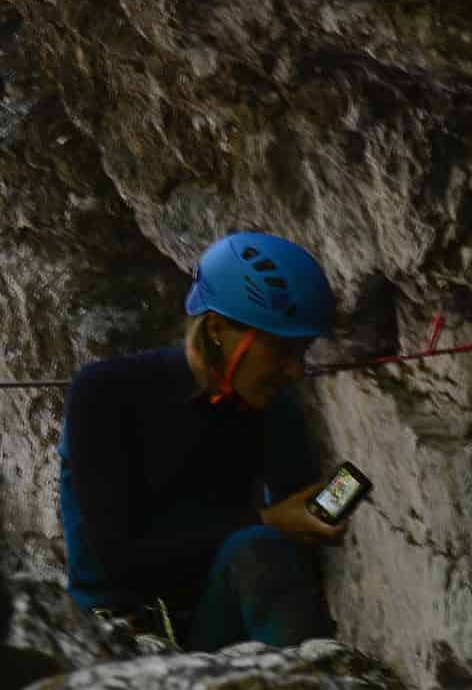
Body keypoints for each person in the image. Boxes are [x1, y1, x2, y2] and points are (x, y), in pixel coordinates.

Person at [59, 232, 345, 651]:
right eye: (283, 350)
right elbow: (119, 559)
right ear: (216, 329)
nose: (296, 370)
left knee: (261, 551)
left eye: (302, 352)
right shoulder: (106, 392)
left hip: (212, 621)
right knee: (258, 546)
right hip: (124, 634)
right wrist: (269, 521)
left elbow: (290, 563)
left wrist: (308, 522)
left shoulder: (273, 409)